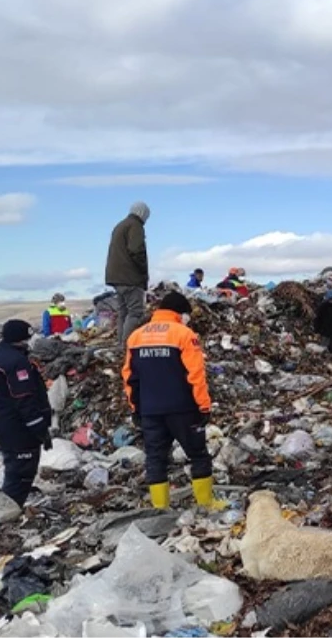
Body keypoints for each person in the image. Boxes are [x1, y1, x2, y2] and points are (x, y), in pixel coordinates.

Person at [122, 292, 216, 509]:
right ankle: (206, 505)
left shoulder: (136, 336)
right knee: (198, 455)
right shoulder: (184, 334)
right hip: (183, 408)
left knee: (155, 459)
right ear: (180, 313)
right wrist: (203, 405)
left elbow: (129, 377)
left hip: (150, 410)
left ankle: (160, 509)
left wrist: (136, 408)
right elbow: (196, 374)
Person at [0, 320, 53, 507]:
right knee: (22, 470)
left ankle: (8, 503)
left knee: (14, 466)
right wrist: (40, 428)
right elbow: (24, 399)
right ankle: (8, 510)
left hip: (2, 421)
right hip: (19, 426)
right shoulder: (16, 362)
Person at [106, 201, 151, 348]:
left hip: (116, 277)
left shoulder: (120, 226)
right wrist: (143, 273)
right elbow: (137, 251)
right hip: (130, 277)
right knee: (135, 312)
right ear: (143, 214)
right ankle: (127, 345)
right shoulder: (135, 226)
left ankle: (120, 343)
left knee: (123, 312)